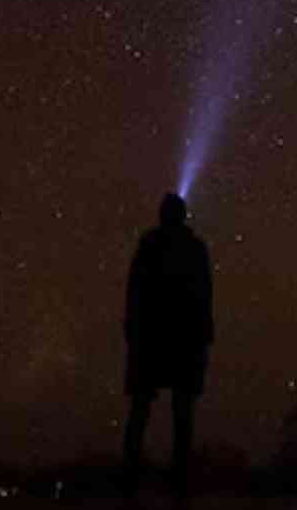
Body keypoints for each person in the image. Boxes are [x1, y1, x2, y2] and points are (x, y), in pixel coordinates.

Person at [122, 192, 213, 501]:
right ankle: (179, 483)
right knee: (181, 413)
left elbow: (134, 290)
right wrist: (204, 337)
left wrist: (132, 332)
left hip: (151, 337)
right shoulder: (194, 249)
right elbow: (204, 295)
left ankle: (130, 481)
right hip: (183, 339)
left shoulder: (150, 245)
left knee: (141, 410)